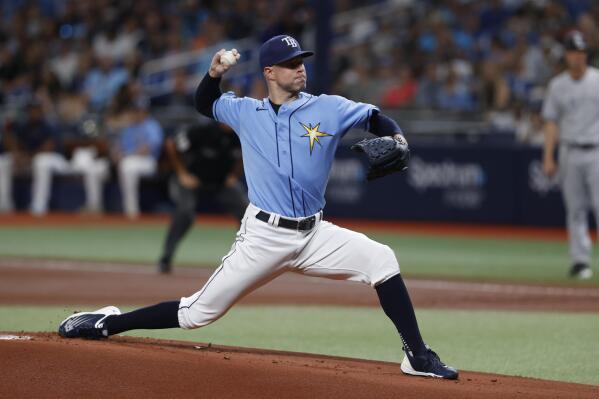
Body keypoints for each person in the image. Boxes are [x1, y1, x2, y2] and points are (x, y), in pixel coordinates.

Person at [58, 35, 458, 380]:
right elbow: (204, 103)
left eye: (301, 61)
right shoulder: (245, 111)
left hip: (315, 233)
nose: (299, 69)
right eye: (289, 64)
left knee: (382, 259)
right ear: (269, 72)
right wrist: (214, 73)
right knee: (198, 314)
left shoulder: (328, 107)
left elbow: (376, 119)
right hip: (264, 236)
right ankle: (106, 322)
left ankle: (417, 356)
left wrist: (399, 139)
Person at [542, 31, 599, 280]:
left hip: (596, 150)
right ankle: (579, 261)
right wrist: (548, 156)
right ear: (566, 55)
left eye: (581, 52)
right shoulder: (558, 85)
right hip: (569, 150)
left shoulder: (597, 80)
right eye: (573, 52)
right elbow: (551, 122)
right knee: (575, 209)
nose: (578, 56)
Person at [157, 121, 249, 274]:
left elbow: (245, 155)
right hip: (192, 180)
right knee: (185, 212)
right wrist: (182, 173)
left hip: (220, 183)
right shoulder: (202, 130)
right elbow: (171, 144)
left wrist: (233, 175)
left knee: (247, 213)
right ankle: (166, 257)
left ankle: (245, 259)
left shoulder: (238, 134)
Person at [111, 100, 164, 219]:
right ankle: (129, 209)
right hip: (130, 160)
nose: (136, 114)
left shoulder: (151, 125)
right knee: (126, 165)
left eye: (139, 111)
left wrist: (126, 155)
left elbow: (149, 148)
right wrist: (118, 154)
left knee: (127, 166)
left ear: (144, 112)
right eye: (134, 111)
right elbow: (120, 147)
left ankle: (131, 210)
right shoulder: (129, 128)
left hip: (149, 162)